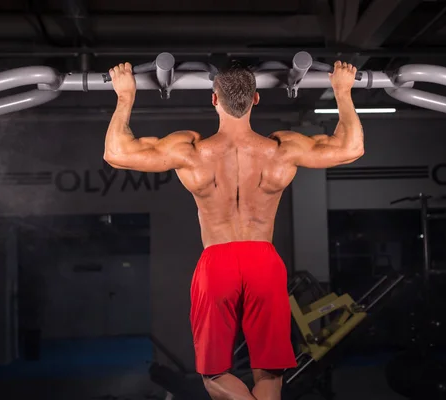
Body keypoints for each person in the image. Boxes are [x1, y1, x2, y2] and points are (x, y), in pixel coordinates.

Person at [104, 60, 364, 400]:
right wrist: (343, 91)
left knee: (214, 375)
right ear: (256, 99)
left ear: (214, 100)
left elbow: (116, 153)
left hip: (217, 262)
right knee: (269, 373)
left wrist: (125, 96)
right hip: (264, 261)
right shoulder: (282, 150)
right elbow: (351, 148)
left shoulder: (192, 151)